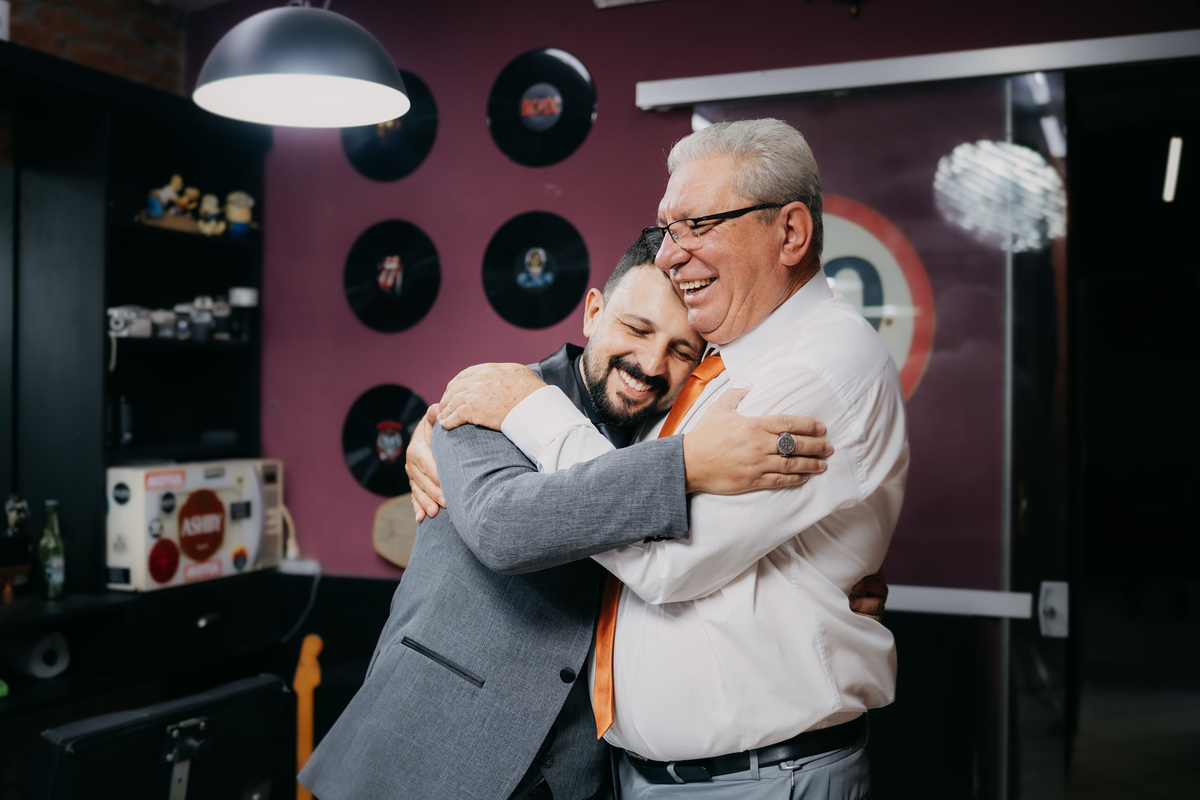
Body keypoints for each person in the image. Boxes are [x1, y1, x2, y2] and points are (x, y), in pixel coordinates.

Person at [435, 118, 909, 799]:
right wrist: (437, 431)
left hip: (757, 779)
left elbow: (664, 562)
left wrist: (526, 408)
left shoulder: (818, 368)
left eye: (698, 226)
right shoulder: (723, 360)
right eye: (666, 229)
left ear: (790, 233)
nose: (667, 256)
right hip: (648, 776)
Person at [298, 238, 848, 800]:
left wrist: (838, 586)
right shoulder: (493, 396)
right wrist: (685, 466)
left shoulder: (671, 433)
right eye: (636, 329)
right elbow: (504, 529)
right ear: (592, 312)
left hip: (577, 777)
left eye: (681, 351)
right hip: (434, 746)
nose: (650, 365)